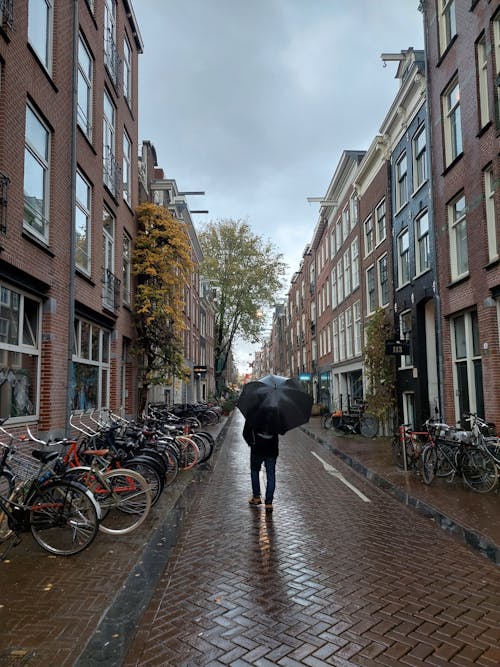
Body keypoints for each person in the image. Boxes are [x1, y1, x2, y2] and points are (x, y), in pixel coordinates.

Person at [243, 419, 280, 513]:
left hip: (257, 449)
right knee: (271, 474)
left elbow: (246, 432)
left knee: (254, 471)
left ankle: (256, 497)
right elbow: (281, 430)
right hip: (272, 449)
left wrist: (251, 443)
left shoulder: (254, 411)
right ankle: (269, 503)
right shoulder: (276, 412)